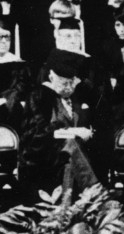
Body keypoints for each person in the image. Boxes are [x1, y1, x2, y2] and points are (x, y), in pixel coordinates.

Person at [20, 49, 100, 197]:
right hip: (43, 154)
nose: (68, 88)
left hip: (73, 155)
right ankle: (94, 194)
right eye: (64, 83)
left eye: (72, 83)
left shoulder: (78, 98)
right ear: (51, 77)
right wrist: (73, 132)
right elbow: (36, 134)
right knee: (70, 145)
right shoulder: (39, 97)